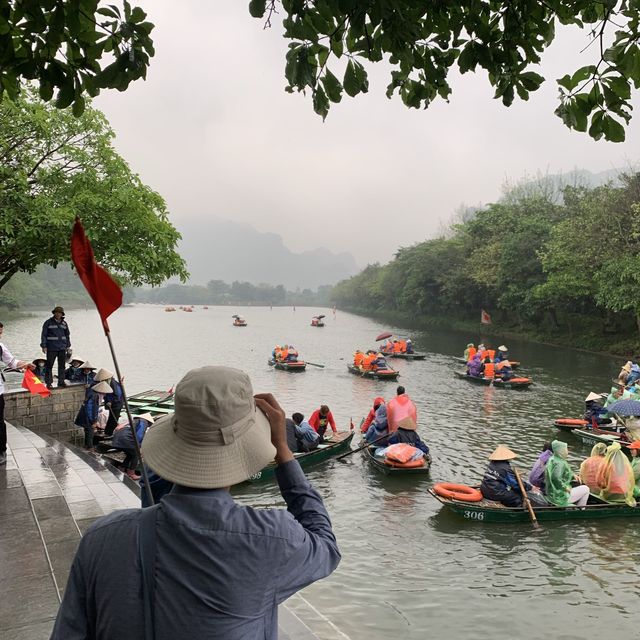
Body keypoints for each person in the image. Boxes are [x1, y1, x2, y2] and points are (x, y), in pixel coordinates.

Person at [51, 366, 341, 640]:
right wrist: (284, 454)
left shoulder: (101, 539)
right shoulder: (272, 539)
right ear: (250, 446)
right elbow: (325, 545)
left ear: (174, 441)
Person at [0, 322, 33, 465]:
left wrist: (26, 364)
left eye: (0, 332)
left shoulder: (0, 347)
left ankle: (1, 450)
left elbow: (13, 362)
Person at [544, 440, 590, 507]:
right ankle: (581, 509)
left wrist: (573, 476)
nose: (567, 451)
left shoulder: (552, 459)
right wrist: (565, 488)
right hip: (559, 496)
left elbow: (558, 474)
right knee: (586, 489)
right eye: (566, 449)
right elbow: (555, 478)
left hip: (551, 493)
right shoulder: (560, 463)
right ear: (561, 451)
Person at [112, 413, 154, 480]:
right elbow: (139, 435)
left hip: (117, 439)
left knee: (130, 453)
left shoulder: (132, 421)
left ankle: (122, 467)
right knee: (136, 454)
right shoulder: (143, 421)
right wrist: (139, 446)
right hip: (126, 440)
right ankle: (131, 473)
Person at [596, 441, 636, 506]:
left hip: (610, 496)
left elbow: (599, 482)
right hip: (624, 495)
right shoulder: (626, 465)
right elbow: (630, 480)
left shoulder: (605, 465)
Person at [74, 380, 110, 451]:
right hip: (88, 417)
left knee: (87, 431)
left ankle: (87, 445)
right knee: (90, 431)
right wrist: (93, 421)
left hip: (84, 415)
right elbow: (90, 409)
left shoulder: (91, 393)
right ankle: (90, 447)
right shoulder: (95, 396)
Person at [40, 305, 71, 389]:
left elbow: (67, 335)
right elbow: (44, 335)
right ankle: (49, 383)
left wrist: (68, 346)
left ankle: (61, 382)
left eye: (60, 313)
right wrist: (44, 346)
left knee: (62, 366)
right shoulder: (48, 322)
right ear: (54, 313)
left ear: (62, 314)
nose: (58, 314)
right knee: (49, 365)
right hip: (51, 348)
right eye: (56, 312)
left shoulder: (64, 323)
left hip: (62, 348)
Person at [95, 368, 124, 436]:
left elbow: (117, 395)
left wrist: (111, 401)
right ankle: (107, 432)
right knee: (111, 418)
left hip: (117, 404)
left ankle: (109, 433)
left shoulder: (113, 383)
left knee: (113, 419)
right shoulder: (107, 383)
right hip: (111, 403)